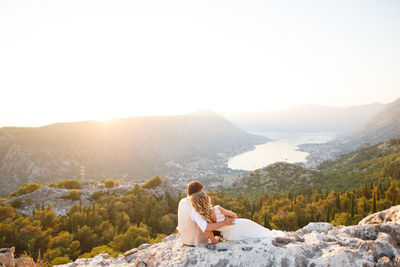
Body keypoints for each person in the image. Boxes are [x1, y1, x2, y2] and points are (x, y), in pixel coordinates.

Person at [190, 191, 284, 243]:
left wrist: (215, 240)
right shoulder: (217, 208)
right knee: (266, 234)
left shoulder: (203, 218)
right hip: (240, 225)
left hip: (231, 235)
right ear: (207, 200)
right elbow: (235, 215)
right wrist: (226, 219)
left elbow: (210, 235)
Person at [176, 181, 235, 246]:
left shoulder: (183, 201)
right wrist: (225, 222)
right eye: (202, 191)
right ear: (199, 193)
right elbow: (206, 227)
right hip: (194, 241)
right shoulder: (194, 208)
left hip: (184, 239)